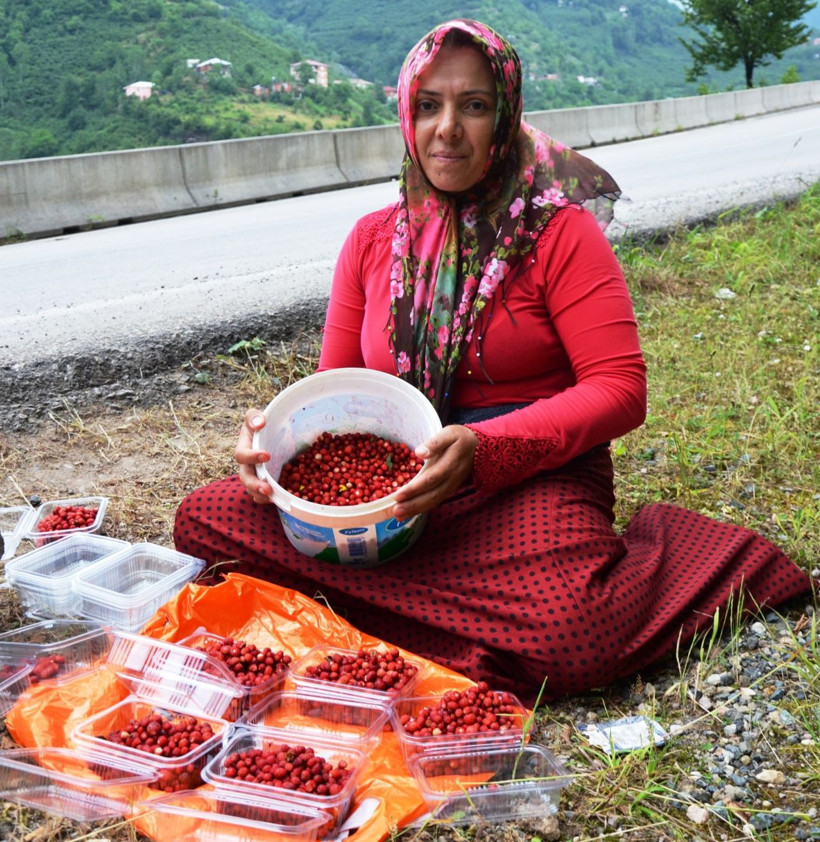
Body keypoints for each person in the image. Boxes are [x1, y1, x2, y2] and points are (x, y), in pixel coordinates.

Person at [174, 19, 814, 706]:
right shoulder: (369, 242)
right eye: (429, 105)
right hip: (402, 492)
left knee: (573, 633)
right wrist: (270, 442)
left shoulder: (557, 232)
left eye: (473, 106)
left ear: (504, 117)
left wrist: (487, 449)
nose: (447, 128)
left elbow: (621, 389)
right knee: (205, 519)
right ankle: (451, 616)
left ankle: (653, 553)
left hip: (530, 476)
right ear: (405, 115)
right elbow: (333, 396)